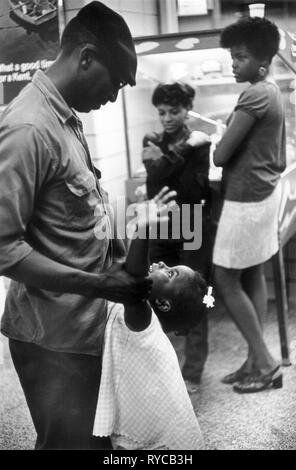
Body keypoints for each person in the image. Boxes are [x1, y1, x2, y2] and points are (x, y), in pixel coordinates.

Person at [0, 1, 151, 450]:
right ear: (86, 57)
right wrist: (99, 284)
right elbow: (3, 247)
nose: (114, 96)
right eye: (116, 82)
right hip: (54, 343)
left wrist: (122, 255)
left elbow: (77, 215)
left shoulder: (65, 119)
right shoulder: (29, 128)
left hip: (84, 331)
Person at [93, 187, 208, 450]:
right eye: (171, 268)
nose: (163, 265)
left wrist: (144, 227)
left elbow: (135, 280)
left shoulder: (143, 322)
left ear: (163, 303)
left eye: (169, 274)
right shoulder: (150, 327)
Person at [213, 16, 286, 393]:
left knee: (225, 278)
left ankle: (268, 363)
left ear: (261, 62)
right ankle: (252, 360)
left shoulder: (255, 94)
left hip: (246, 199)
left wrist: (213, 138)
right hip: (264, 194)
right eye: (232, 56)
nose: (233, 63)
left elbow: (221, 156)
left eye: (239, 57)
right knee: (252, 273)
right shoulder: (272, 91)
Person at [142, 82, 212, 389]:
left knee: (195, 293)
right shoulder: (154, 139)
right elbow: (155, 174)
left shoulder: (202, 141)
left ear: (187, 110)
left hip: (193, 222)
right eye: (162, 112)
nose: (167, 117)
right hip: (161, 225)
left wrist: (169, 164)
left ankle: (193, 370)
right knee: (155, 293)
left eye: (175, 111)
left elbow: (194, 189)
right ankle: (161, 366)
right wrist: (185, 149)